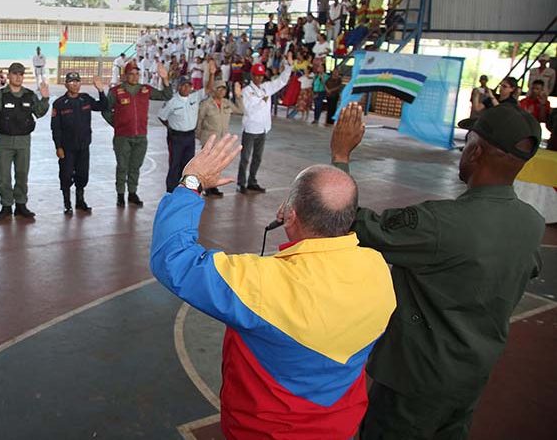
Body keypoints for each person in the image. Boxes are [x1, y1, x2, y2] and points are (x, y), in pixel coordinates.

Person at [150, 133, 396, 439]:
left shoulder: (266, 285)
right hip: (340, 427)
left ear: (290, 213)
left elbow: (173, 260)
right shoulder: (377, 270)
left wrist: (192, 183)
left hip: (265, 432)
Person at [328, 103, 545, 439]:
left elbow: (351, 222)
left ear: (475, 151)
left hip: (415, 381)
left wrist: (341, 155)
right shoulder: (532, 223)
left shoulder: (439, 224)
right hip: (471, 376)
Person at [0, 62, 50, 221]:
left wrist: (45, 98)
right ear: (8, 75)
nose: (18, 77)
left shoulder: (29, 95)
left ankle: (21, 204)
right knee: (4, 177)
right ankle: (6, 206)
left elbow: (39, 113)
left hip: (23, 142)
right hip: (4, 142)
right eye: (15, 74)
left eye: (21, 74)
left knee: (22, 175)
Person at [102, 61, 172, 207]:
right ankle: (120, 194)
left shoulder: (145, 90)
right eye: (131, 74)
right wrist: (117, 123)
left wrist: (165, 79)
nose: (135, 77)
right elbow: (106, 110)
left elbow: (166, 95)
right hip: (122, 137)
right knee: (122, 166)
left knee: (135, 166)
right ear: (125, 76)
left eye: (137, 74)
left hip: (140, 136)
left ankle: (132, 192)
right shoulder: (116, 92)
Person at [50, 73, 107, 216]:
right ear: (66, 84)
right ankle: (67, 204)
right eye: (71, 82)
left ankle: (80, 201)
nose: (75, 84)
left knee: (82, 175)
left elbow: (103, 106)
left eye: (77, 81)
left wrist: (101, 91)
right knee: (66, 175)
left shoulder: (85, 99)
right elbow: (55, 128)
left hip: (83, 146)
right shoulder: (59, 103)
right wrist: (58, 147)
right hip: (67, 148)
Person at [158, 61, 216, 193]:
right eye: (184, 85)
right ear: (178, 87)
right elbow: (162, 116)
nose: (187, 88)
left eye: (189, 85)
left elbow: (208, 89)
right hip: (176, 137)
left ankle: (185, 191)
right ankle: (171, 192)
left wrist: (212, 74)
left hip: (190, 136)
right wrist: (172, 127)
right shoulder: (172, 101)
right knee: (175, 165)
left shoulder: (194, 97)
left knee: (188, 165)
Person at [239, 54, 293, 194]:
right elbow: (248, 110)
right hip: (250, 129)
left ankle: (252, 181)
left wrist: (288, 67)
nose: (258, 78)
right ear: (252, 75)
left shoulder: (266, 88)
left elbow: (281, 81)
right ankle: (241, 183)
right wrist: (262, 101)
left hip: (263, 129)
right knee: (245, 158)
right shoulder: (246, 91)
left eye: (261, 76)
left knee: (257, 158)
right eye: (256, 75)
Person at [196, 80, 244, 197]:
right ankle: (206, 187)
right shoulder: (206, 104)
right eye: (219, 89)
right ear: (213, 90)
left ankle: (213, 186)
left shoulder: (226, 103)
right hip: (209, 139)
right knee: (208, 165)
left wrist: (238, 97)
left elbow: (240, 110)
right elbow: (199, 121)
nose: (222, 91)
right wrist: (199, 136)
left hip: (222, 140)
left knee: (218, 165)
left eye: (224, 89)